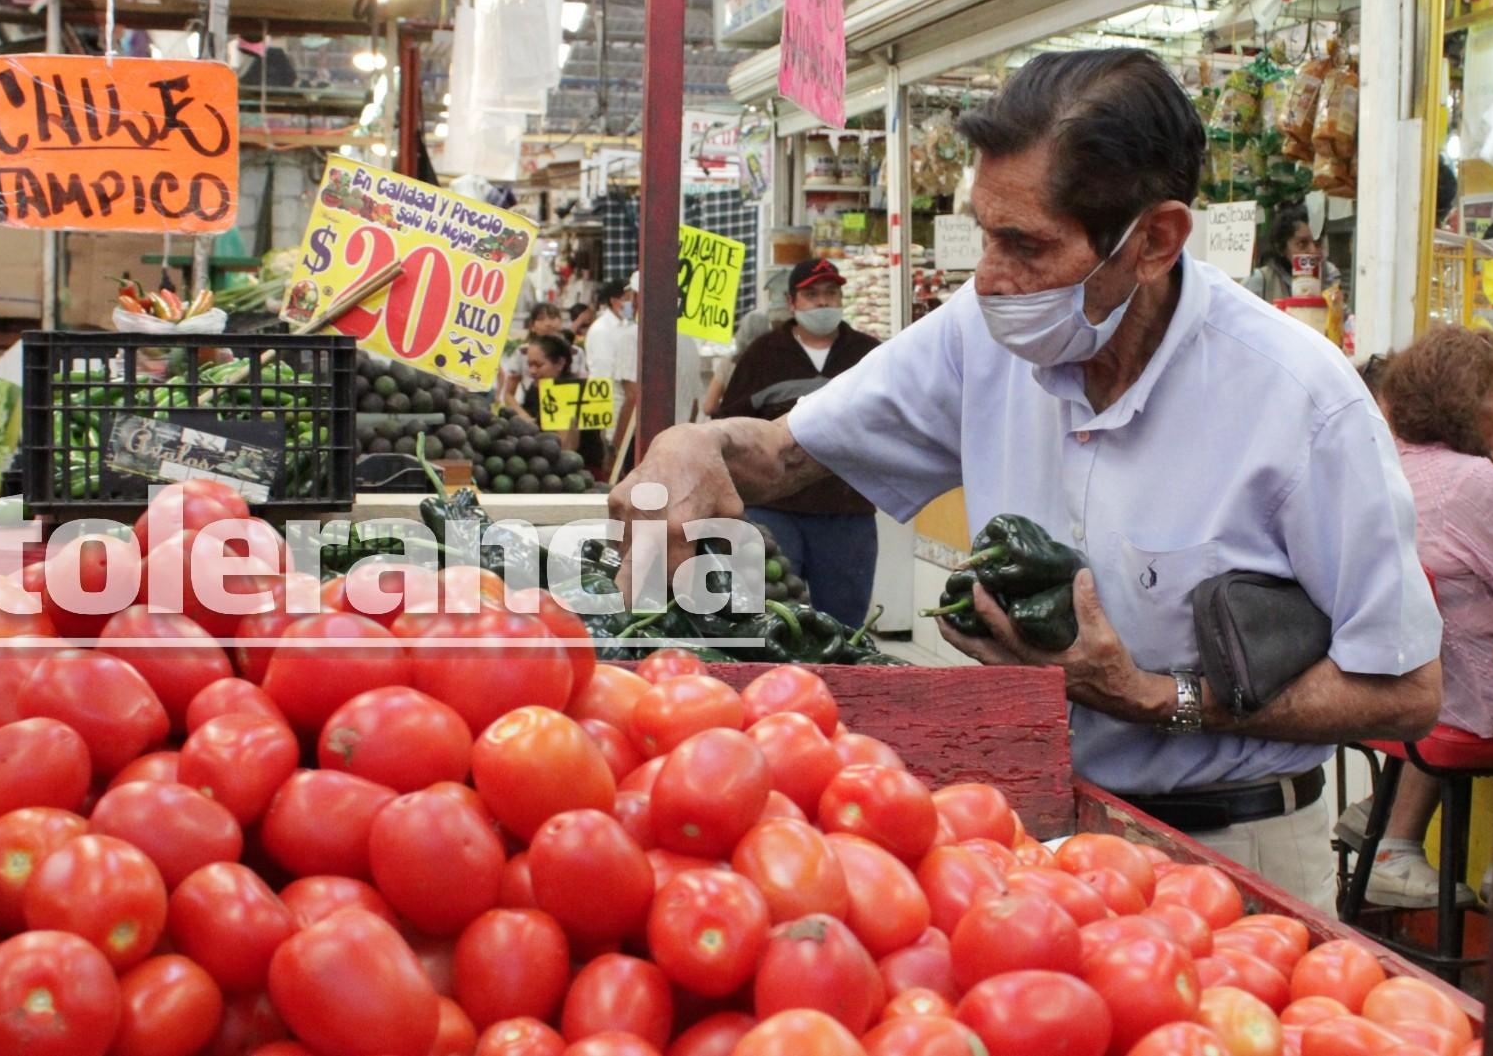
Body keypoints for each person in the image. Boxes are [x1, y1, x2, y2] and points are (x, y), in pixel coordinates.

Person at [608, 49, 1441, 911]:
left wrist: (1153, 696)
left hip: (1233, 852)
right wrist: (691, 444)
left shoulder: (1299, 400)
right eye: (984, 232)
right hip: (1033, 836)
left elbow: (1407, 688)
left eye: (1026, 245)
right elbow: (787, 452)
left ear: (1154, 240)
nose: (989, 278)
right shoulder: (983, 334)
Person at [1329, 326, 1493, 907]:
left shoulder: (1392, 461)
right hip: (1467, 698)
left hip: (1387, 679)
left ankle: (1388, 830)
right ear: (1465, 400)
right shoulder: (1472, 480)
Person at [714, 259, 880, 625]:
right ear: (791, 303)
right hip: (772, 509)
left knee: (843, 621)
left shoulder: (870, 354)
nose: (823, 303)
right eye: (811, 294)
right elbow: (730, 427)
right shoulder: (762, 356)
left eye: (831, 293)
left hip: (847, 514)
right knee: (766, 616)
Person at [704, 270, 792, 418]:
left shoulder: (729, 363)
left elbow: (709, 407)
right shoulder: (782, 361)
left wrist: (729, 408)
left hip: (733, 431)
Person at [521, 333, 605, 473]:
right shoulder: (536, 389)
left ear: (560, 363)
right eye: (529, 365)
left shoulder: (567, 391)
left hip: (580, 473)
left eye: (538, 365)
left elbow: (566, 447)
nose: (532, 371)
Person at [584, 276, 639, 473]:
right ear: (615, 301)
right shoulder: (601, 331)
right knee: (615, 468)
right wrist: (603, 425)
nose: (631, 302)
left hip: (626, 408)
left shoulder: (628, 327)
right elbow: (601, 379)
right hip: (612, 409)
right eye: (627, 297)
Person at [1243, 205, 1340, 302]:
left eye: (1318, 242)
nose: (1313, 251)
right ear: (1281, 248)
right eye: (1302, 244)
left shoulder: (1330, 276)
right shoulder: (1260, 280)